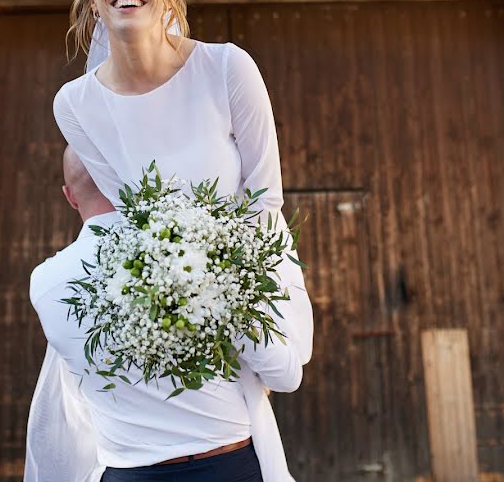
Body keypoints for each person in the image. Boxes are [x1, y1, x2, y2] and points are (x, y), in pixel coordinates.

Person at [36, 0, 314, 481]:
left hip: (245, 270)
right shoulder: (76, 104)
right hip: (167, 286)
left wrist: (234, 292)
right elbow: (130, 221)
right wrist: (174, 294)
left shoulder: (227, 67)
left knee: (281, 376)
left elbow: (264, 198)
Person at [26, 148, 306, 482]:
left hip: (128, 472)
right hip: (226, 466)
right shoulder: (191, 248)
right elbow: (283, 375)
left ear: (70, 196)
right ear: (132, 174)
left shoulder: (45, 284)